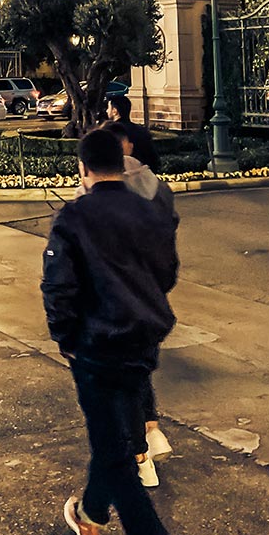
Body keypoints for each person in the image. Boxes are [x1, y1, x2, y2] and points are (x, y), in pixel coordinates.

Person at [41, 129, 192, 535]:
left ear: (83, 170)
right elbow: (167, 273)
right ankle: (87, 513)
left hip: (96, 350)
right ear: (122, 164)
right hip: (142, 343)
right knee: (117, 442)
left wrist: (67, 340)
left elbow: (58, 289)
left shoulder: (75, 217)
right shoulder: (148, 212)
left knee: (117, 462)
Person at [100, 119, 177, 481]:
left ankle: (140, 458)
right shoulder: (157, 188)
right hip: (151, 296)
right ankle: (151, 430)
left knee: (118, 383)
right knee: (139, 370)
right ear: (127, 146)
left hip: (115, 302)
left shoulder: (103, 191)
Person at [106, 93, 161, 172]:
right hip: (142, 177)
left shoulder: (110, 133)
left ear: (115, 111)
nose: (106, 111)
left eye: (108, 108)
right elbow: (154, 160)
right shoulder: (142, 131)